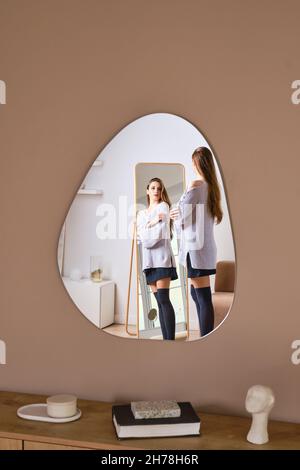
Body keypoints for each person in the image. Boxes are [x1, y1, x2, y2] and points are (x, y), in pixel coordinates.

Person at [170, 147, 222, 337]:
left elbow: (182, 217)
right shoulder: (212, 187)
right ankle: (205, 336)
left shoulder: (197, 185)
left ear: (198, 163)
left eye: (193, 161)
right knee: (197, 292)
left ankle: (206, 339)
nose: (192, 165)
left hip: (195, 249)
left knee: (202, 295)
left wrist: (174, 213)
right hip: (205, 248)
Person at [136, 178, 178, 340]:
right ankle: (165, 340)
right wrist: (154, 221)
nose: (156, 191)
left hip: (161, 259)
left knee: (164, 300)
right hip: (148, 263)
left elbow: (151, 239)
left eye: (159, 189)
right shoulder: (141, 213)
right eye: (152, 188)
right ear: (147, 190)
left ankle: (171, 341)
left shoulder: (164, 207)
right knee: (159, 303)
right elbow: (141, 238)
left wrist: (146, 229)